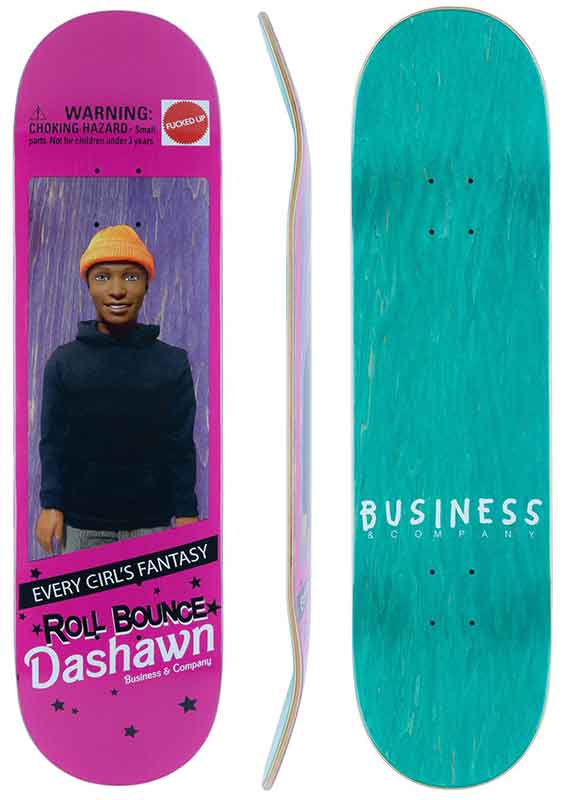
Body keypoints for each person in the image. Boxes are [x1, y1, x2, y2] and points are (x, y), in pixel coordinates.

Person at [35, 224, 198, 554]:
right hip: (81, 527)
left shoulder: (172, 363)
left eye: (131, 276)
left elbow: (180, 445)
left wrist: (186, 511)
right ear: (88, 285)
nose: (117, 290)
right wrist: (50, 504)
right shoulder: (64, 363)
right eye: (102, 277)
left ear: (147, 284)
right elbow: (53, 442)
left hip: (152, 524)